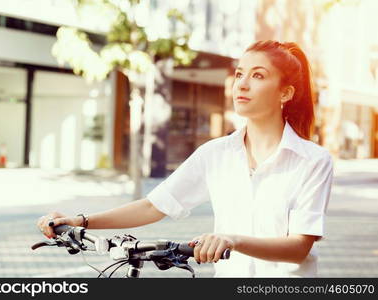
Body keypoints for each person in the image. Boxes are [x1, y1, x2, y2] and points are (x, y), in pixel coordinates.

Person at [37, 40, 333, 277]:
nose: (241, 84)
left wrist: (233, 240)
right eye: (240, 73)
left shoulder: (313, 161)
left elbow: (298, 248)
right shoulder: (216, 154)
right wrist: (81, 221)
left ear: (286, 93)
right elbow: (154, 206)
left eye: (258, 75)